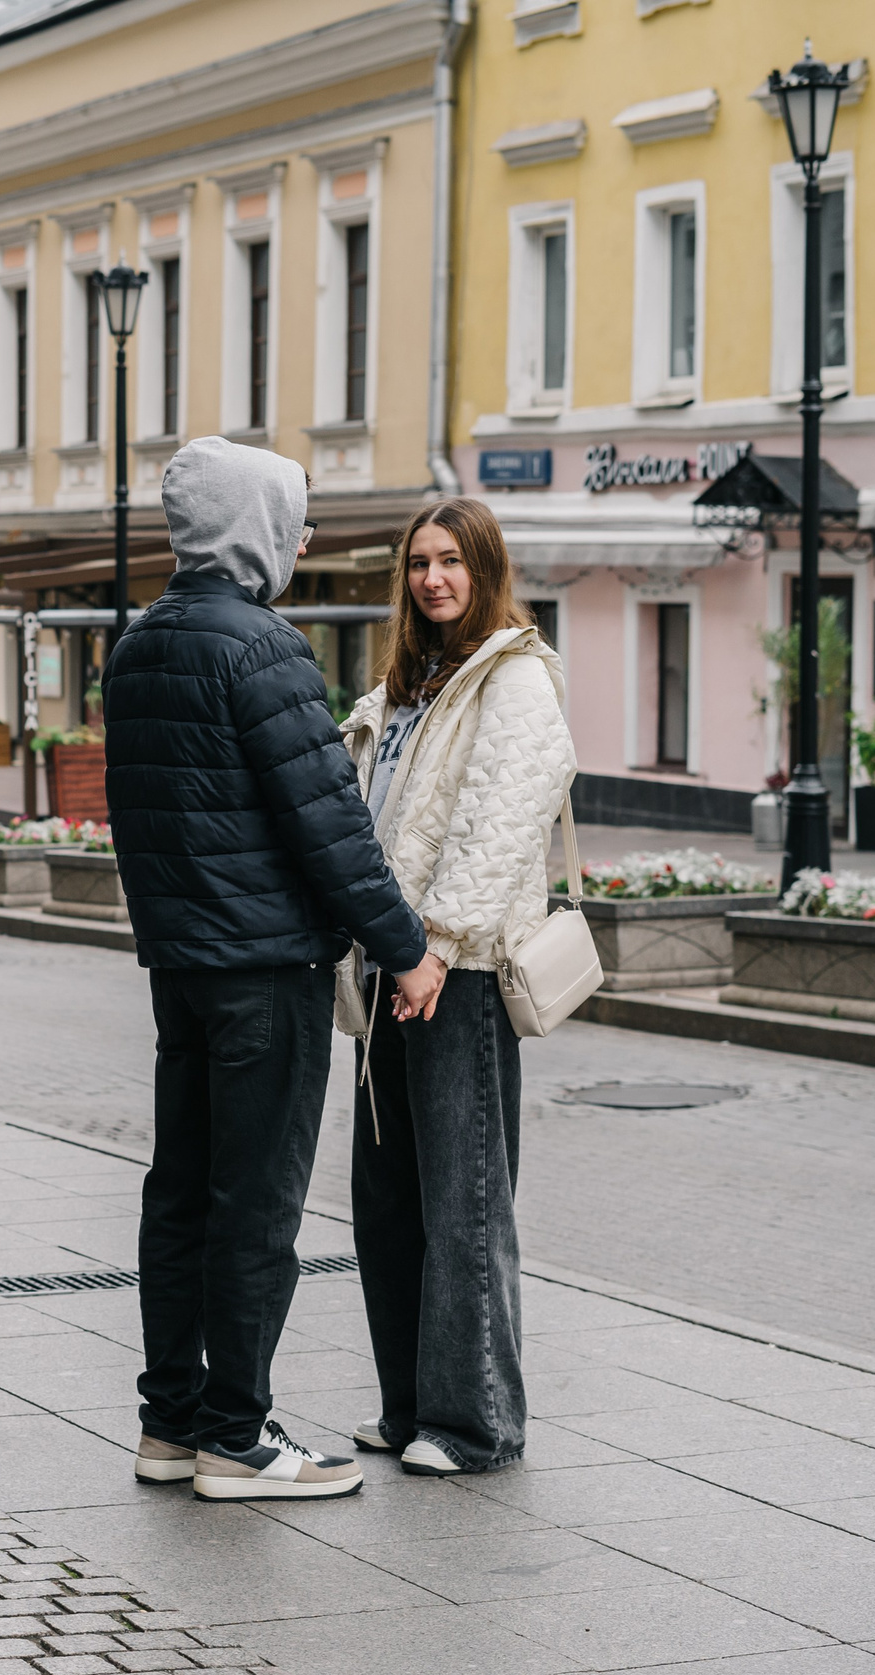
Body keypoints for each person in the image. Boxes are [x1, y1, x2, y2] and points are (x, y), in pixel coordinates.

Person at [103, 436, 439, 1503]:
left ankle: (169, 1421)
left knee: (180, 1198)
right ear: (252, 528)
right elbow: (329, 828)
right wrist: (406, 948)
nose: (299, 541)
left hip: (183, 970)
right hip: (265, 972)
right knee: (256, 1207)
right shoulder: (264, 649)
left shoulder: (138, 646)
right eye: (289, 519)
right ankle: (236, 1438)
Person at [338, 495, 573, 1478]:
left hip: (457, 973)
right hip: (396, 965)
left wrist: (434, 944)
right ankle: (408, 1408)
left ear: (484, 569)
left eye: (451, 561)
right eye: (419, 563)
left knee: (463, 1203)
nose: (433, 577)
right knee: (386, 1198)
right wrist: (387, 947)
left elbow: (497, 821)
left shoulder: (512, 677)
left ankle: (472, 1423)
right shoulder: (409, 681)